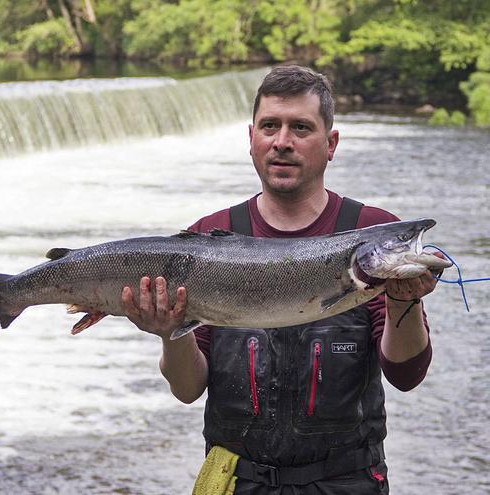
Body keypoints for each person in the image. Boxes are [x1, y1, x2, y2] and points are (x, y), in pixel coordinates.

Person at [120, 65, 440, 494]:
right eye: (270, 126)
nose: (282, 142)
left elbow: (406, 374)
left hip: (347, 481)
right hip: (237, 480)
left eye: (301, 128)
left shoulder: (372, 230)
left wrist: (405, 302)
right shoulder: (205, 238)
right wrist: (169, 332)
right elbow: (188, 388)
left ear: (331, 144)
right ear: (251, 139)